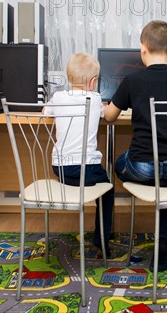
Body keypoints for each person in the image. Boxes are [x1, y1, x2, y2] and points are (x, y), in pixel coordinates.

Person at [104, 20, 167, 271]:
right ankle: (163, 244)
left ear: (143, 49)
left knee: (119, 162)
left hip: (141, 170)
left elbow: (109, 117)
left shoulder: (132, 81)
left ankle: (111, 231)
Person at [44, 53, 114, 257]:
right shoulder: (95, 99)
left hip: (61, 170)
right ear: (93, 82)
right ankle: (101, 238)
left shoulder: (58, 97)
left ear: (69, 78)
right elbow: (105, 114)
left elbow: (44, 112)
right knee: (107, 190)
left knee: (80, 174)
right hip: (88, 170)